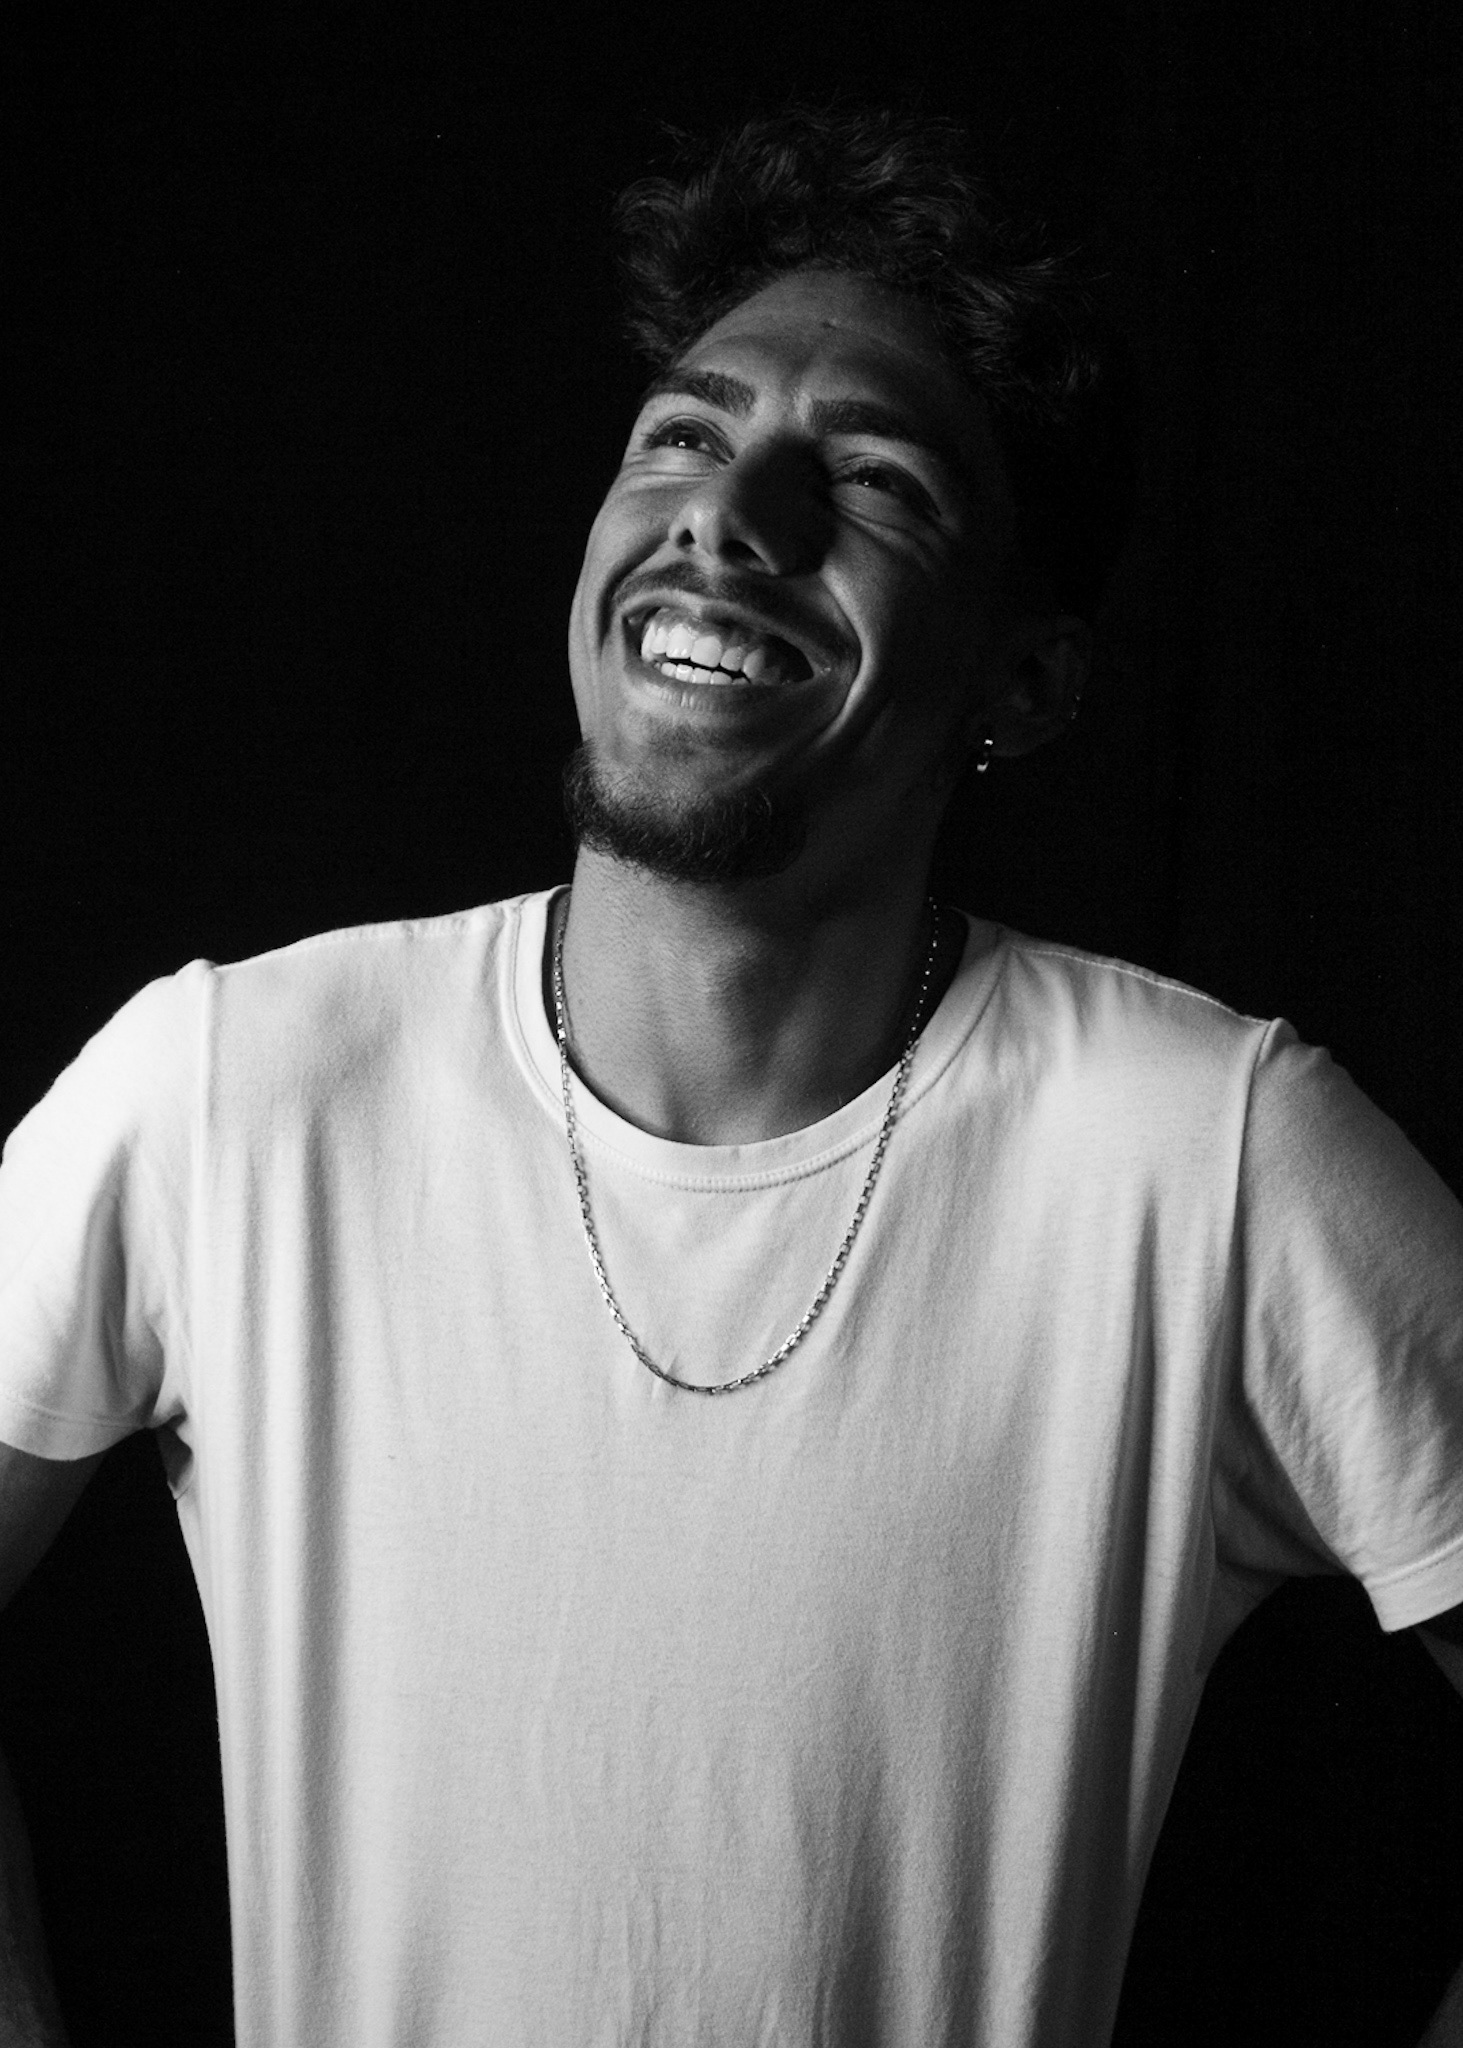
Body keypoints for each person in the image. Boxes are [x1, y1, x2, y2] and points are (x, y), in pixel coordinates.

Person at [1, 101, 1461, 2048]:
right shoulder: (234, 1091)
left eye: (872, 481)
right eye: (683, 437)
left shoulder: (1206, 1158)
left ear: (1025, 682)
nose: (730, 517)